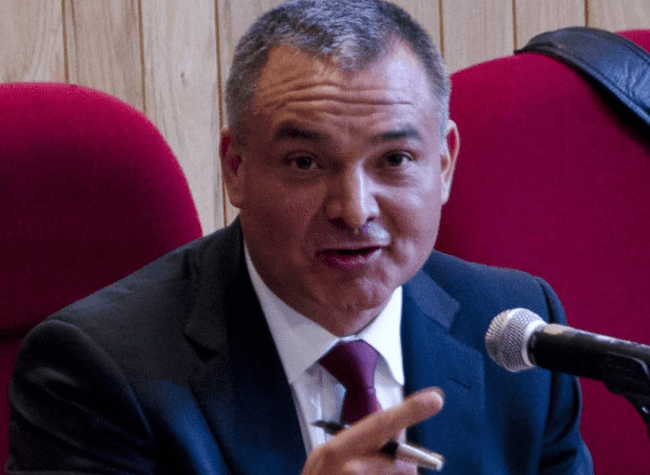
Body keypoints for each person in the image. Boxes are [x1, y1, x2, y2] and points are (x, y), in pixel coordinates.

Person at [7, 0, 593, 474]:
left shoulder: (517, 331)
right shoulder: (97, 370)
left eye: (394, 159)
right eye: (305, 163)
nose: (354, 211)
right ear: (236, 168)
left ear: (444, 165)